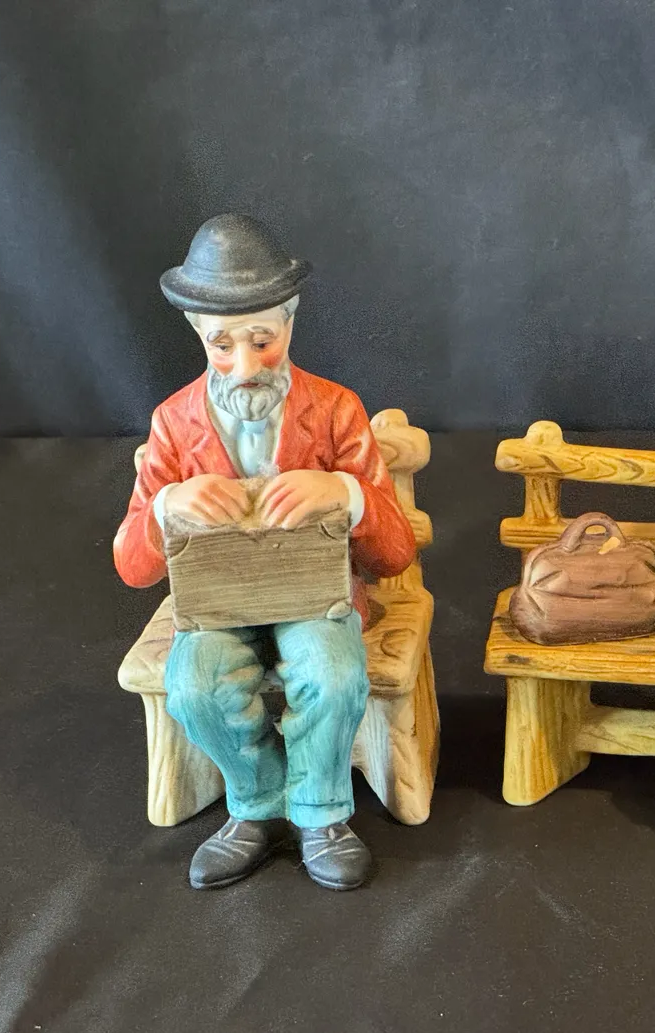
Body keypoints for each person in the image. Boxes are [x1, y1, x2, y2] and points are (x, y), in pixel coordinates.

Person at [114, 214, 416, 889]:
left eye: (263, 341)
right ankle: (257, 803)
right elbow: (132, 566)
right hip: (218, 605)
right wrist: (167, 507)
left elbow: (396, 552)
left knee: (332, 674)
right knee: (196, 686)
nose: (246, 367)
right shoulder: (174, 424)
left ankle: (320, 813)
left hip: (316, 597)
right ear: (198, 333)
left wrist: (344, 492)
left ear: (290, 322)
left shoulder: (335, 410)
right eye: (222, 345)